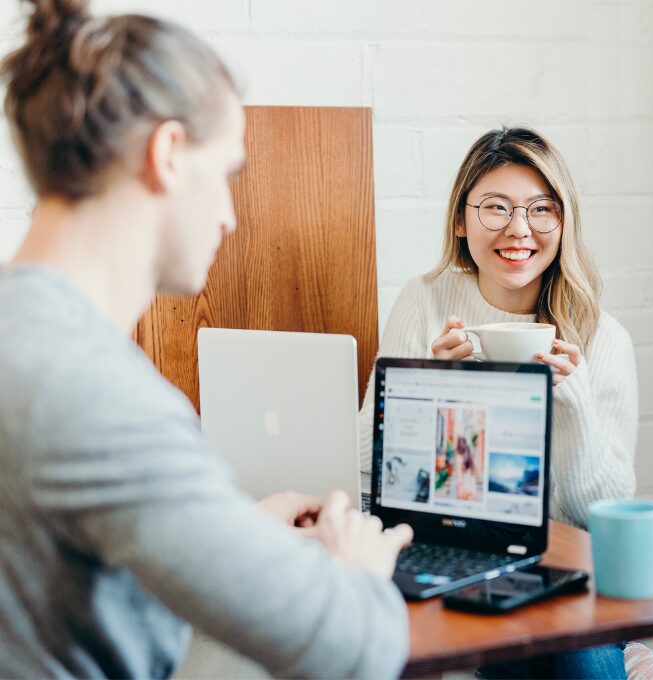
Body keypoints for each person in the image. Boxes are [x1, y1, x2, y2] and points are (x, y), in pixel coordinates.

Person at [0, 1, 412, 677]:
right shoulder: (96, 391)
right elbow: (355, 649)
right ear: (166, 155)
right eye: (226, 174)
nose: (227, 215)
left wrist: (232, 531)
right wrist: (357, 571)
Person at [358, 128, 653, 679]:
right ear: (461, 220)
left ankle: (627, 650)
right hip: (453, 550)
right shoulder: (427, 302)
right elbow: (369, 467)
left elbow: (600, 514)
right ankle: (633, 653)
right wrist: (434, 393)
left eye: (540, 210)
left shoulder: (602, 340)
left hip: (559, 563)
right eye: (495, 208)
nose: (519, 229)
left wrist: (572, 404)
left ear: (563, 222)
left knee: (580, 659)